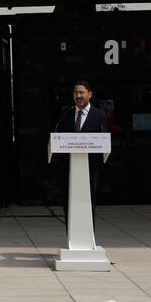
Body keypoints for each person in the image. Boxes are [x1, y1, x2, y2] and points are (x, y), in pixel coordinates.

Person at [52, 80, 108, 230]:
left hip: (90, 168)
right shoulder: (66, 112)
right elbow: (59, 134)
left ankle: (88, 236)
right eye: (75, 93)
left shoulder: (99, 115)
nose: (78, 96)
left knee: (88, 202)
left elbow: (104, 139)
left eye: (81, 92)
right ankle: (71, 235)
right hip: (69, 168)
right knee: (68, 202)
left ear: (89, 94)